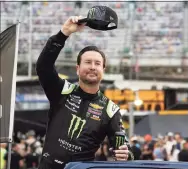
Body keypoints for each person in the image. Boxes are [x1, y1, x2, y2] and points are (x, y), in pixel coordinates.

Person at [36, 16, 133, 169]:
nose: (93, 67)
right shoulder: (62, 91)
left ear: (103, 70)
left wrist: (125, 154)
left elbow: (125, 151)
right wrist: (64, 33)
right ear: (77, 68)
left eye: (97, 63)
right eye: (88, 62)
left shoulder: (111, 110)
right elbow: (43, 67)